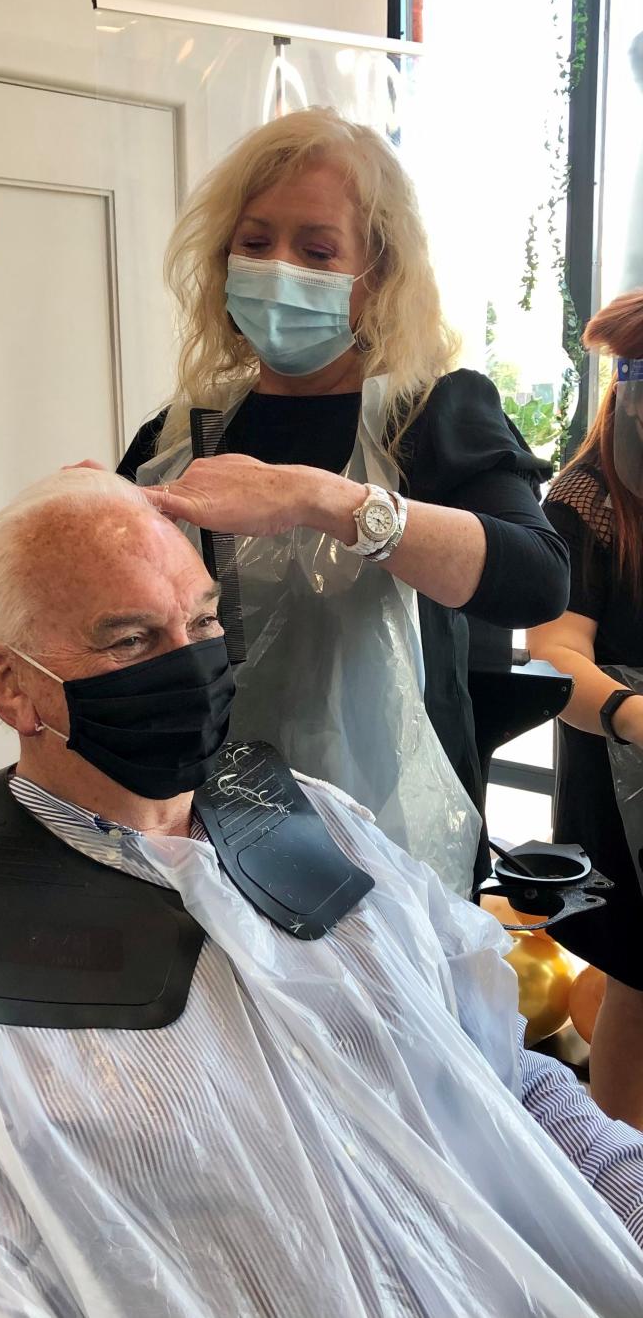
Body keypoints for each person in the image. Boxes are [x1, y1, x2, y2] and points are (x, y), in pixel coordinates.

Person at [0, 469, 643, 1318]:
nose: (189, 664)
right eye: (132, 639)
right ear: (11, 685)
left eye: (206, 623)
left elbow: (502, 1082)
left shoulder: (314, 823)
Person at [118, 107, 568, 895]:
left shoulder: (429, 416)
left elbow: (537, 578)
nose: (278, 268)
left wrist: (319, 498)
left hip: (389, 848)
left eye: (317, 250)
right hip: (208, 844)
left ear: (376, 277)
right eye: (254, 243)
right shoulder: (183, 433)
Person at [528, 291, 643, 1130]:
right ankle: (620, 1197)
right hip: (624, 782)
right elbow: (556, 654)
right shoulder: (587, 497)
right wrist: (633, 715)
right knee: (637, 987)